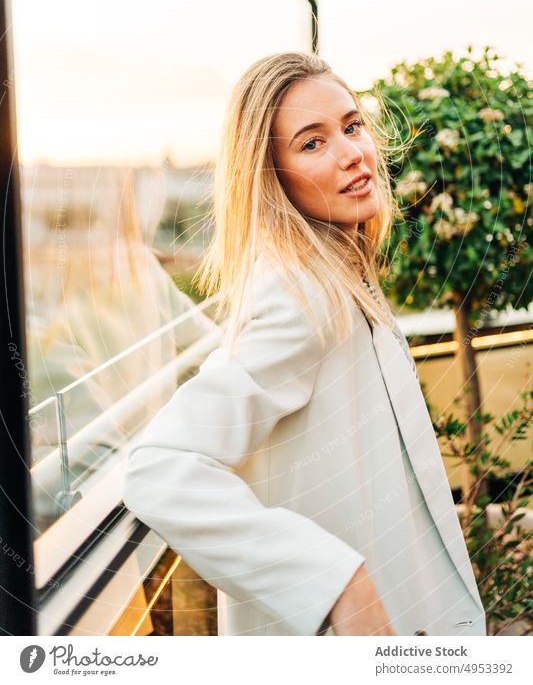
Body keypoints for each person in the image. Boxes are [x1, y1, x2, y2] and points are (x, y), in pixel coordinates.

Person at [122, 52, 486, 636]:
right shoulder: (299, 293)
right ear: (272, 176)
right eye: (312, 143)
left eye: (351, 126)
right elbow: (159, 468)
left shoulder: (341, 270)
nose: (352, 154)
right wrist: (335, 582)